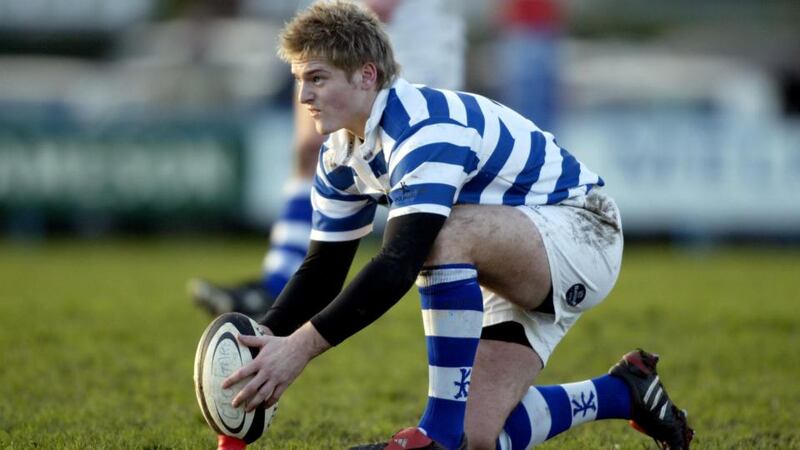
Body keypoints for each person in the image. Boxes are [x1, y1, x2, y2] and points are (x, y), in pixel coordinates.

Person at [221, 1, 694, 449]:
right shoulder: (339, 154)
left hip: (582, 233)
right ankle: (624, 392)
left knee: (440, 235)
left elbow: (398, 263)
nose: (303, 96)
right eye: (300, 79)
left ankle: (436, 433)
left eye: (317, 79)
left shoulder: (425, 128)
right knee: (480, 439)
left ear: (367, 75)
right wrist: (260, 346)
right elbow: (324, 270)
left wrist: (299, 350)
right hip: (508, 250)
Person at [188, 0, 465, 319]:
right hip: (340, 14)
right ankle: (277, 285)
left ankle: (471, 284)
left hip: (412, 30)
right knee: (310, 147)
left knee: (414, 154)